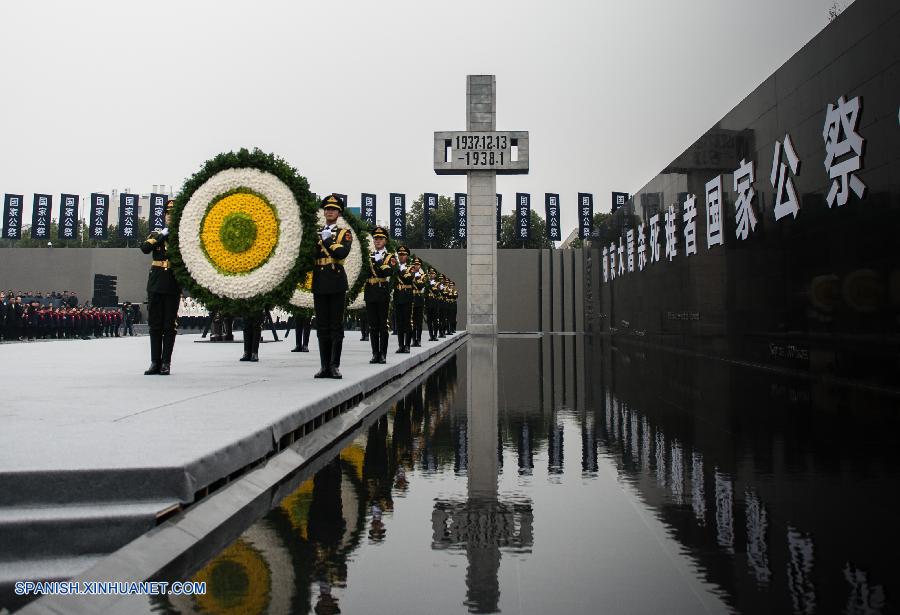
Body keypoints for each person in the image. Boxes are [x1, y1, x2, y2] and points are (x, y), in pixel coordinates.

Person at [312, 194, 353, 379]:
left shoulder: (344, 233)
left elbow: (342, 253)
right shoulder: (316, 232)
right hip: (320, 281)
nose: (330, 212)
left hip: (336, 281)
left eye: (333, 209)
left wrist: (328, 240)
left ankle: (334, 365)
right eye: (327, 209)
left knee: (336, 325)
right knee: (322, 325)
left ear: (339, 213)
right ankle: (324, 366)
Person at [139, 200, 181, 375]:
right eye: (168, 213)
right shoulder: (156, 234)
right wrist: (163, 234)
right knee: (155, 324)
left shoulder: (182, 235)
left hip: (172, 282)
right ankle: (154, 362)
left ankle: (166, 363)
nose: (170, 216)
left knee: (169, 325)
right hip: (156, 283)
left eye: (174, 213)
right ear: (164, 216)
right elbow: (145, 248)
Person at [364, 226, 395, 364]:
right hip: (370, 291)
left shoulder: (390, 257)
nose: (377, 241)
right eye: (375, 238)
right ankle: (374, 353)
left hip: (382, 291)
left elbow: (388, 272)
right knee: (373, 325)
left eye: (380, 238)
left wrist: (379, 261)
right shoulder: (368, 256)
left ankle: (383, 354)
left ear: (385, 241)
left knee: (383, 325)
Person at [392, 246, 414, 354]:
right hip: (397, 296)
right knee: (399, 323)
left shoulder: (411, 268)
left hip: (407, 296)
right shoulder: (394, 268)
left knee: (407, 322)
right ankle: (401, 345)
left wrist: (398, 269)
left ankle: (407, 346)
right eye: (399, 255)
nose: (401, 257)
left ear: (407, 256)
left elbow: (408, 278)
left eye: (403, 255)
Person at [410, 257, 425, 347]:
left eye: (418, 264)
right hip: (411, 298)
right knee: (412, 321)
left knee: (418, 321)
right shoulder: (409, 273)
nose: (416, 266)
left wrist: (414, 278)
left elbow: (420, 286)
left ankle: (418, 339)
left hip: (419, 298)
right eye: (415, 264)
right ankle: (413, 339)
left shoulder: (423, 275)